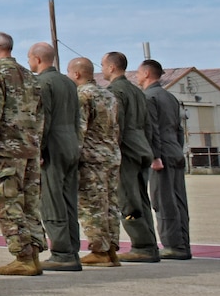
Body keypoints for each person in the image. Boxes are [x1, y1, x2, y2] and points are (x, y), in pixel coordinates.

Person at [0, 32, 44, 276]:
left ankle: (23, 256)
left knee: (7, 202)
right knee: (29, 203)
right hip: (29, 147)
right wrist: (36, 142)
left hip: (7, 149)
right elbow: (40, 114)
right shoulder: (29, 75)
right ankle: (34, 254)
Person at [30, 42, 84, 271]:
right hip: (71, 143)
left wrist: (39, 150)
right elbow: (77, 116)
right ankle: (72, 247)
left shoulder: (43, 83)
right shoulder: (68, 83)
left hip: (53, 145)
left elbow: (43, 119)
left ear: (38, 59)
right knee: (69, 200)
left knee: (51, 200)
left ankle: (62, 252)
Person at [104, 52, 160, 263]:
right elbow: (148, 124)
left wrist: (112, 151)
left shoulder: (115, 91)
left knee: (128, 200)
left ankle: (143, 245)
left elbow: (116, 124)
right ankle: (149, 243)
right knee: (141, 198)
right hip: (142, 148)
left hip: (126, 150)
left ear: (111, 68)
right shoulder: (137, 92)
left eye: (103, 65)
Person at [69, 58, 121, 267]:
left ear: (77, 74)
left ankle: (99, 249)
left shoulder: (83, 95)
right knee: (111, 203)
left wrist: (74, 155)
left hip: (92, 157)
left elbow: (80, 128)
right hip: (111, 154)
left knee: (92, 205)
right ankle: (111, 248)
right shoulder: (109, 95)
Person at [137, 59, 191, 259]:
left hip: (161, 155)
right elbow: (178, 129)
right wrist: (177, 149)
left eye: (139, 73)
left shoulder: (149, 97)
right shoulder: (170, 97)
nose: (137, 76)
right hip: (175, 151)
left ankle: (173, 245)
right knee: (179, 200)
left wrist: (155, 156)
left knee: (163, 200)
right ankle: (183, 243)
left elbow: (151, 130)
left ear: (147, 74)